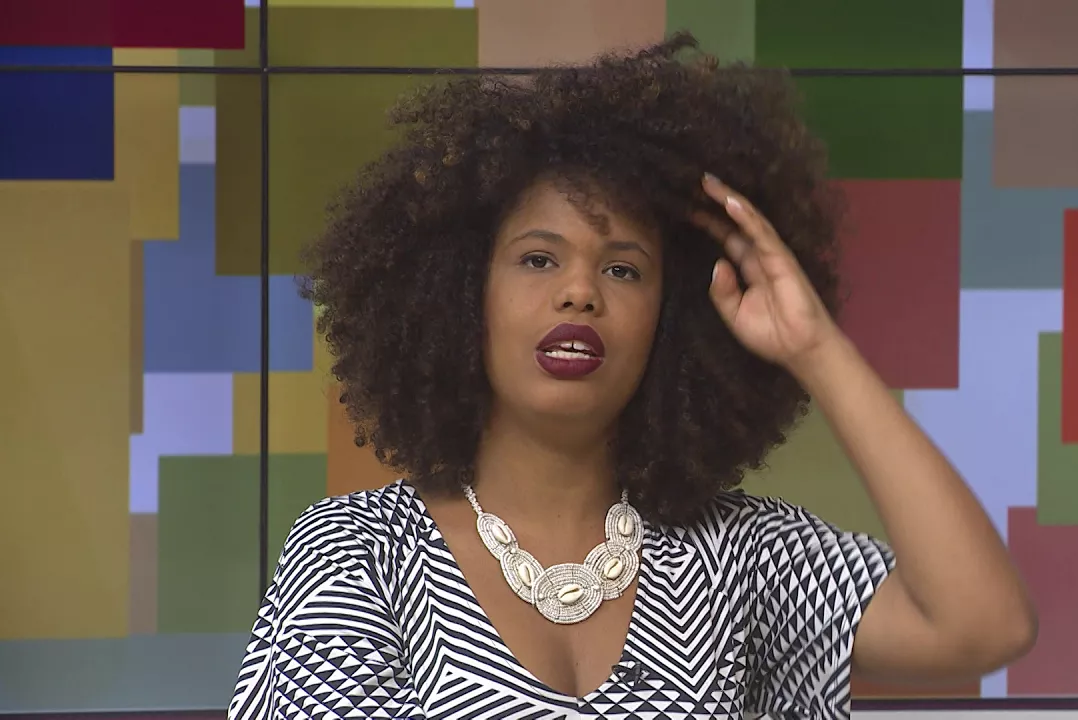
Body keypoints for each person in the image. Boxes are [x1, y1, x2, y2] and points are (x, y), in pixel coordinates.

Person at [227, 34, 1036, 719]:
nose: (579, 291)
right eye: (538, 259)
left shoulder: (736, 555)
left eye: (623, 269)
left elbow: (982, 624)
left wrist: (813, 346)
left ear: (672, 318)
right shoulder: (361, 554)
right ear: (459, 295)